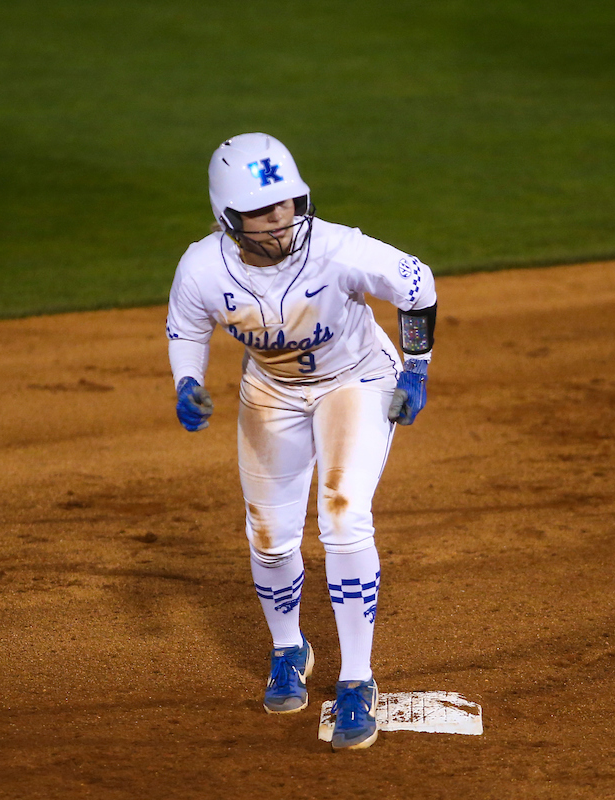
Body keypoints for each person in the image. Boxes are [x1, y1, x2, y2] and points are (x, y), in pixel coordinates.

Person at [165, 133, 437, 751]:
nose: (281, 219)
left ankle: (357, 681)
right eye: (263, 211)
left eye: (288, 203)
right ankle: (289, 648)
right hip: (272, 392)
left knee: (344, 516)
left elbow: (416, 285)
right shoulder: (203, 267)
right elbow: (186, 326)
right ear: (227, 219)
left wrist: (416, 368)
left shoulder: (338, 249)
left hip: (358, 379)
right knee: (267, 533)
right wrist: (186, 381)